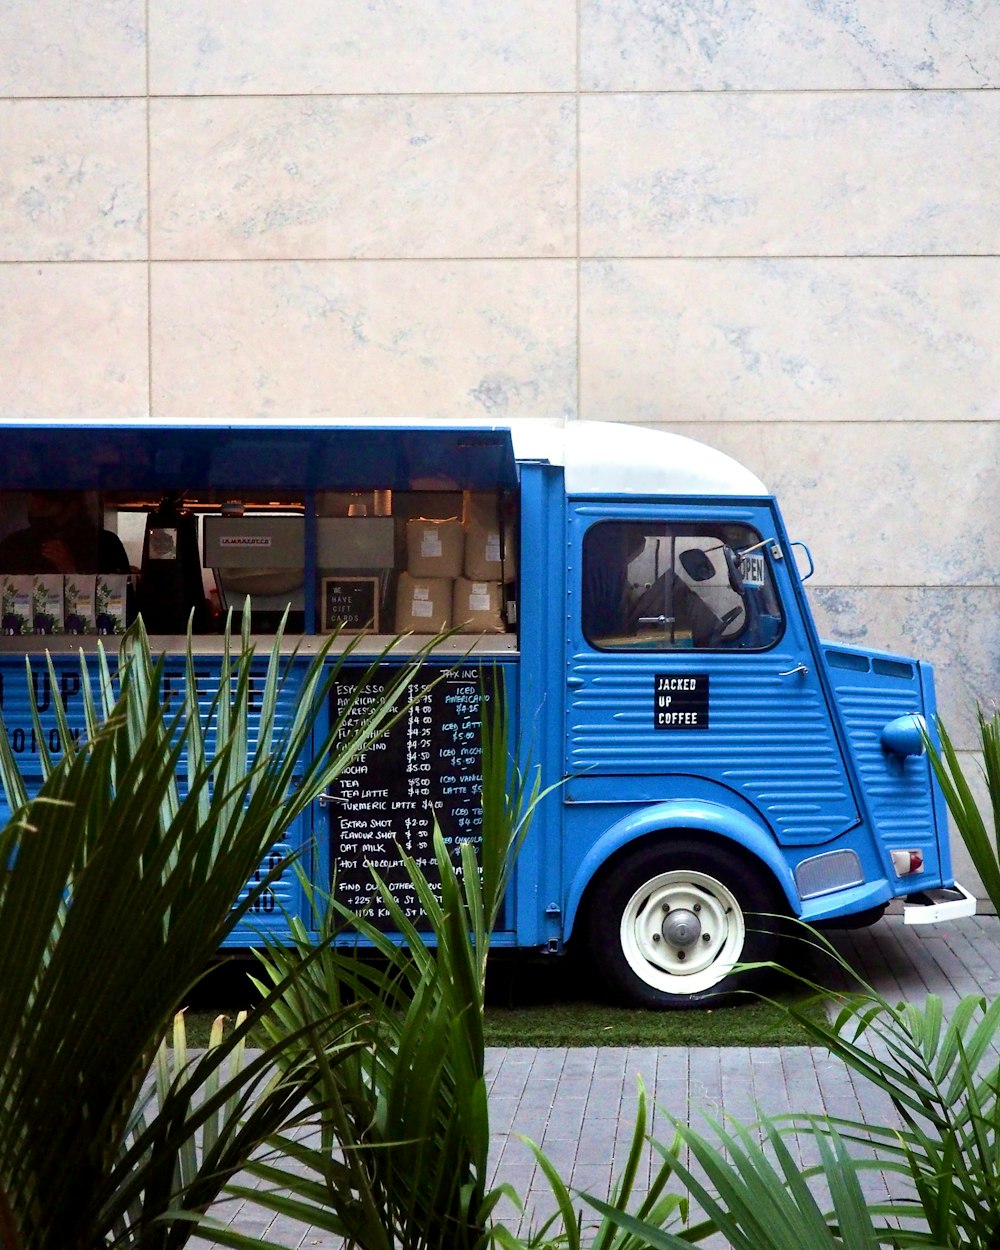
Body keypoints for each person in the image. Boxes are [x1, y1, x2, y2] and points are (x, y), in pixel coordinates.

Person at [0, 491, 131, 574]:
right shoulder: (16, 545)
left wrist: (71, 572)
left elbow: (122, 605)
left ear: (72, 507)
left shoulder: (104, 545)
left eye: (47, 508)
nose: (35, 506)